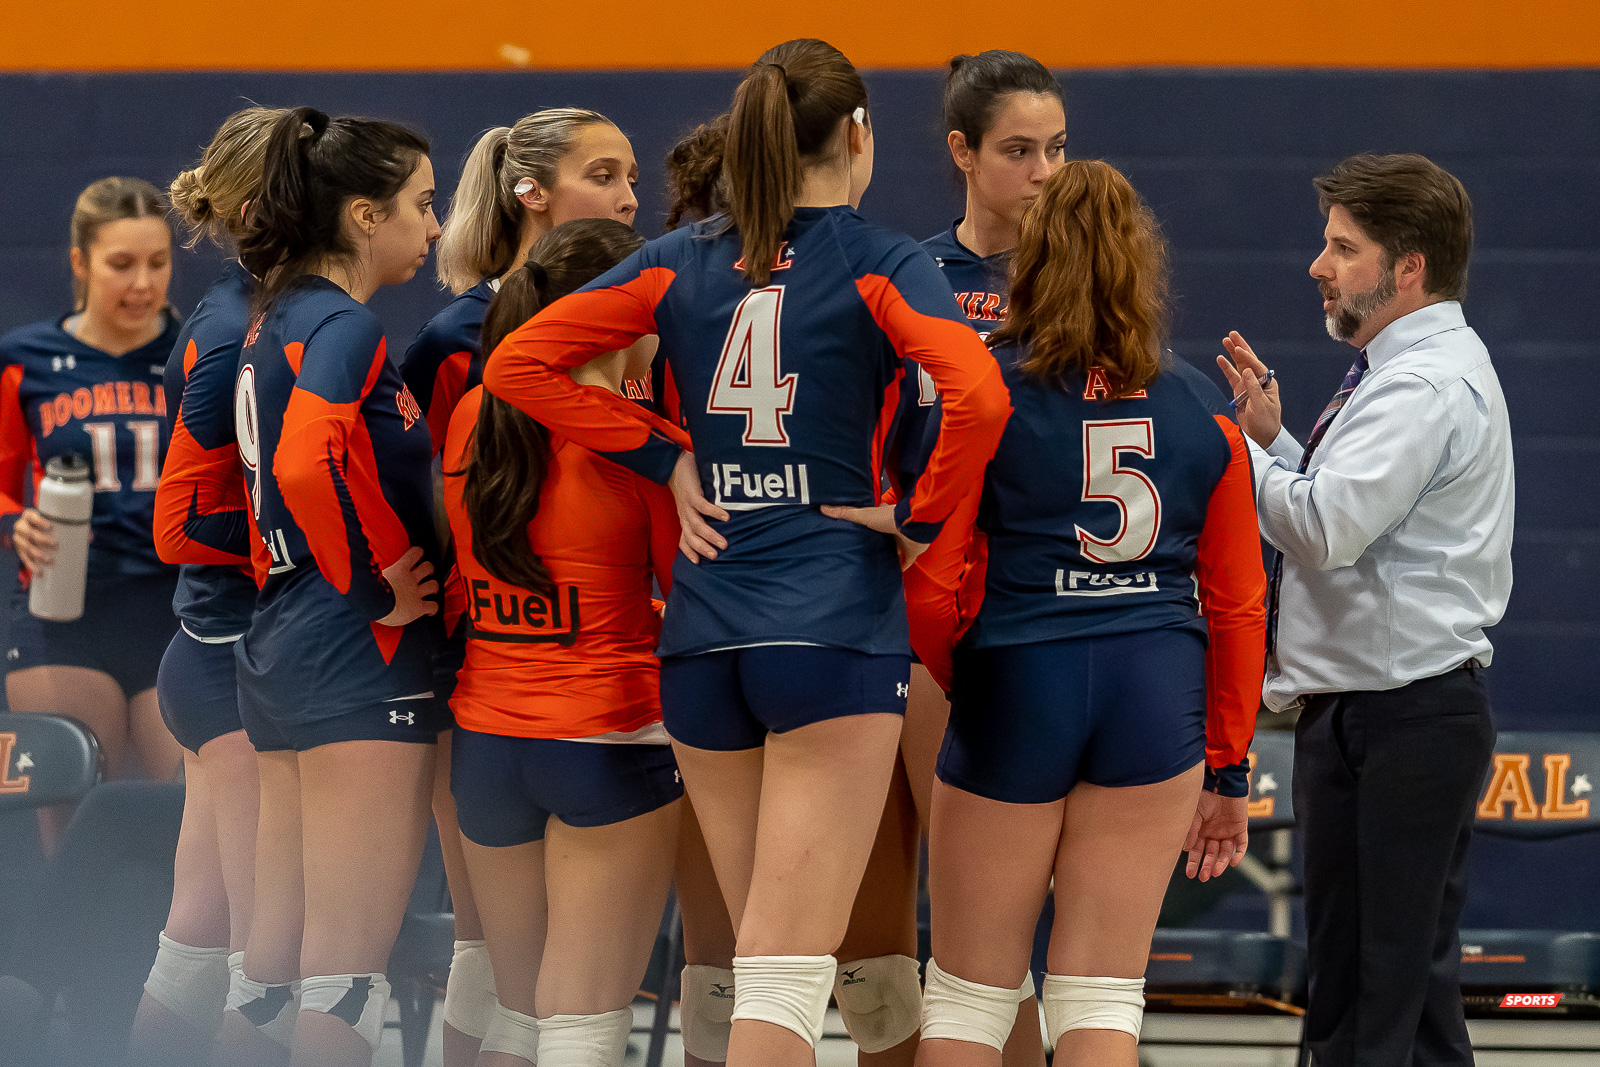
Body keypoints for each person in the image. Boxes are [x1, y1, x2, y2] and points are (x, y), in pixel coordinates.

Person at [484, 37, 1010, 1067]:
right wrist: (922, 514)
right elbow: (980, 394)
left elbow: (517, 361)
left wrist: (664, 454)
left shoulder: (679, 258)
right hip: (829, 629)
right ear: (856, 133)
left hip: (703, 641)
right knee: (783, 970)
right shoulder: (877, 258)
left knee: (754, 964)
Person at [838, 160, 1266, 1067]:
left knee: (970, 994)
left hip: (1020, 672)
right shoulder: (1207, 409)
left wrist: (966, 676)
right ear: (1140, 265)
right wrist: (1228, 766)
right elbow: (1237, 606)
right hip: (1155, 690)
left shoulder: (987, 394)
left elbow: (929, 579)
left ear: (1030, 264)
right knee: (1100, 995)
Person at [1216, 153, 1512, 1067]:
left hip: (1403, 717)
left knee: (1376, 1002)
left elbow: (1325, 528)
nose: (1320, 265)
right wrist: (1275, 444)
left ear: (1409, 267)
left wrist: (1231, 452)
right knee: (1389, 1001)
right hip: (1374, 712)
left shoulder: (1424, 383)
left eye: (1344, 248)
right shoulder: (1403, 372)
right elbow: (1348, 513)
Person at [406, 106, 640, 1067]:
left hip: (512, 707)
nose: (629, 198)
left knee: (527, 989)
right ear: (531, 192)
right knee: (519, 972)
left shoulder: (635, 345)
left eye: (632, 177)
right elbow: (421, 515)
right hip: (520, 687)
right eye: (604, 175)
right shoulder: (454, 341)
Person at [231, 106, 442, 1067]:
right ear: (364, 214)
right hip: (352, 653)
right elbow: (306, 464)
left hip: (283, 640)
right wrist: (375, 587)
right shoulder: (344, 323)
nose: (434, 226)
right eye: (422, 204)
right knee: (346, 976)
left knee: (269, 975)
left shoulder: (272, 316)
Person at [442, 218, 681, 1067]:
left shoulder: (470, 415)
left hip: (486, 747)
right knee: (583, 1026)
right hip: (607, 743)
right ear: (619, 320)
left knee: (518, 1017)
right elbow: (689, 600)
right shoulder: (639, 443)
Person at [129, 106, 285, 1067]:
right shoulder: (235, 330)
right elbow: (180, 524)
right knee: (264, 961)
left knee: (197, 938)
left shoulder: (259, 310)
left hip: (215, 653)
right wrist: (321, 556)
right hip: (227, 658)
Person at [0, 176, 183, 850]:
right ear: (80, 262)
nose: (143, 283)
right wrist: (12, 522)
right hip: (64, 615)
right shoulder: (24, 359)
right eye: (121, 264)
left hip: (177, 614)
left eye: (158, 263)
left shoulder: (197, 354)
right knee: (73, 828)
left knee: (190, 825)